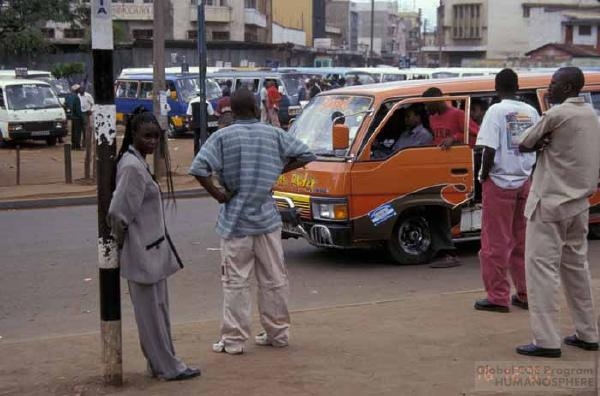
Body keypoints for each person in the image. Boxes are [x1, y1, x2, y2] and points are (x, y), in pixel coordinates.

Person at [189, 88, 316, 355]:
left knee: (235, 282)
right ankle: (278, 334)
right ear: (257, 108)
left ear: (232, 111)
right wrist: (278, 169)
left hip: (235, 222)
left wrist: (219, 195)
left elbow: (199, 169)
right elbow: (306, 154)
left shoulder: (222, 137)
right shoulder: (273, 134)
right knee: (274, 279)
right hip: (268, 220)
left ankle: (234, 341)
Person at [108, 107, 200, 381]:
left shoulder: (137, 162)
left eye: (156, 137)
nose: (153, 142)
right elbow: (117, 213)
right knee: (152, 318)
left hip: (152, 252)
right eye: (147, 136)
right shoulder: (132, 168)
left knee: (159, 314)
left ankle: (164, 363)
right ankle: (167, 367)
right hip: (142, 254)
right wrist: (125, 244)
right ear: (133, 134)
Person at [516, 67, 600, 358]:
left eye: (553, 84)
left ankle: (546, 341)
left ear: (566, 87)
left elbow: (524, 142)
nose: (549, 89)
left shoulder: (556, 115)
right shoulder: (591, 116)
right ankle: (588, 333)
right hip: (579, 205)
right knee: (577, 270)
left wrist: (540, 143)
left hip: (549, 205)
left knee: (542, 273)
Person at [473, 69, 539, 313]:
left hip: (499, 182)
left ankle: (498, 297)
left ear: (496, 87)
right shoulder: (530, 111)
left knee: (494, 244)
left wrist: (483, 175)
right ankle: (524, 293)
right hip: (524, 181)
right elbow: (537, 144)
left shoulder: (495, 111)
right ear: (518, 86)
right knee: (522, 243)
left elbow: (488, 149)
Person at [422, 87, 480, 268]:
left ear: (437, 100)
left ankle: (448, 251)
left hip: (459, 169)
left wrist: (455, 137)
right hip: (440, 168)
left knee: (441, 207)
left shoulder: (457, 114)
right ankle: (442, 248)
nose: (426, 110)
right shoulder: (432, 118)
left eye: (427, 105)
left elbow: (477, 132)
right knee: (436, 208)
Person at [69, 84, 83, 149]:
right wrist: (81, 117)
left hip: (73, 117)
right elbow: (77, 109)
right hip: (77, 117)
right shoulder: (76, 98)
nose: (80, 90)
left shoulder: (71, 97)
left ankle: (73, 145)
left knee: (73, 131)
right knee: (78, 132)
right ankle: (77, 145)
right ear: (77, 90)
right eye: (79, 89)